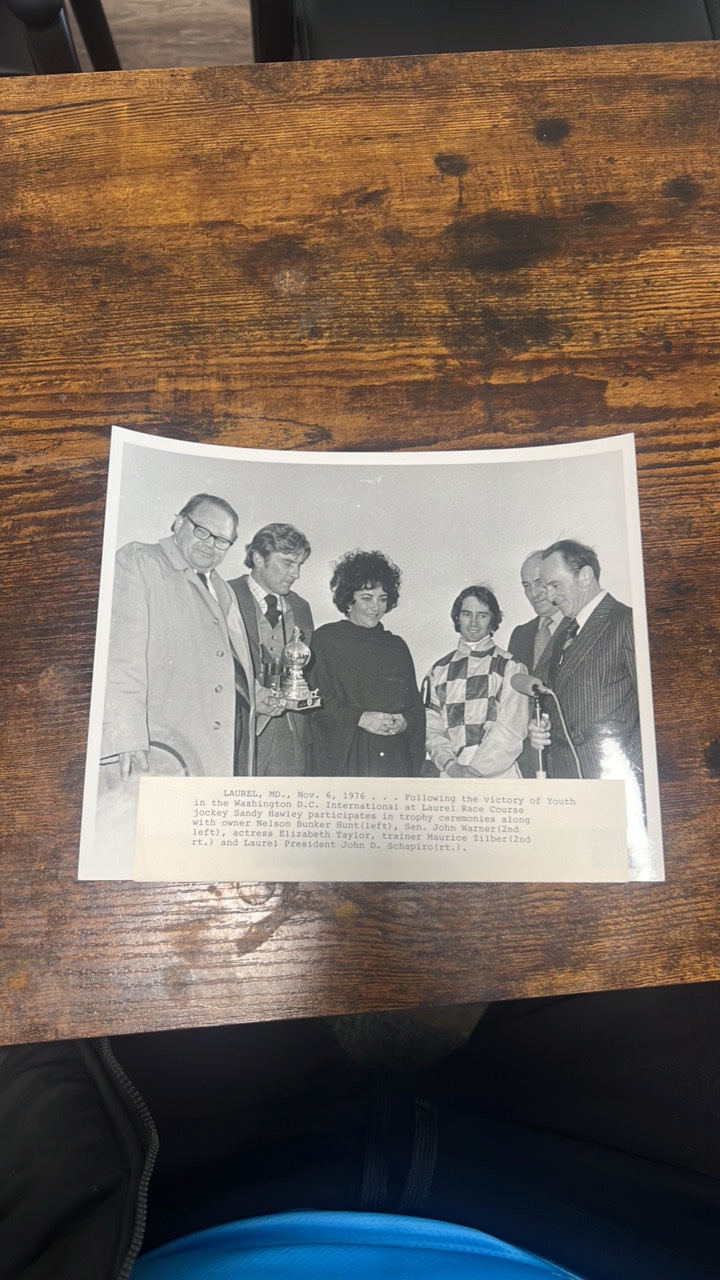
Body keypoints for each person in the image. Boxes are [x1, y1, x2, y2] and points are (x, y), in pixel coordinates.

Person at [101, 493, 257, 779]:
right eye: (203, 531)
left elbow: (225, 663)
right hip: (157, 748)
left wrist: (258, 697)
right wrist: (124, 733)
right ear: (179, 523)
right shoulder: (139, 559)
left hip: (218, 751)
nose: (210, 544)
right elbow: (120, 656)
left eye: (222, 540)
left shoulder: (224, 590)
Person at [527, 540, 641, 782]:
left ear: (586, 576)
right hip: (564, 777)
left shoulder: (628, 622)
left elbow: (654, 712)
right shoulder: (565, 628)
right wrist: (539, 726)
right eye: (547, 587)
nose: (550, 597)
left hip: (610, 779)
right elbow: (550, 693)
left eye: (555, 585)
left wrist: (628, 768)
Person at [310, 549, 425, 777]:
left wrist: (405, 722)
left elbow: (416, 709)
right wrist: (359, 719)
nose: (376, 607)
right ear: (348, 599)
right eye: (366, 598)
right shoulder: (325, 640)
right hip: (349, 759)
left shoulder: (397, 647)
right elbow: (315, 705)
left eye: (382, 599)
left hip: (394, 758)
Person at [229, 523, 314, 777]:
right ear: (258, 558)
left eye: (299, 565)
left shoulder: (301, 607)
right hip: (238, 731)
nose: (296, 574)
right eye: (288, 563)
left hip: (288, 736)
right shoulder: (225, 596)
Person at [424, 586, 529, 779]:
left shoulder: (511, 666)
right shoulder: (438, 670)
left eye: (482, 615)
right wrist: (451, 766)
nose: (473, 623)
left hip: (498, 774)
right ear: (458, 618)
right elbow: (431, 729)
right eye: (466, 614)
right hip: (451, 773)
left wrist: (475, 773)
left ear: (492, 619)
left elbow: (510, 730)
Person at [508, 551, 562, 778]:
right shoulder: (520, 634)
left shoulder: (579, 628)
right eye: (526, 586)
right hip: (528, 758)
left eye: (539, 583)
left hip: (568, 753)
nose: (533, 593)